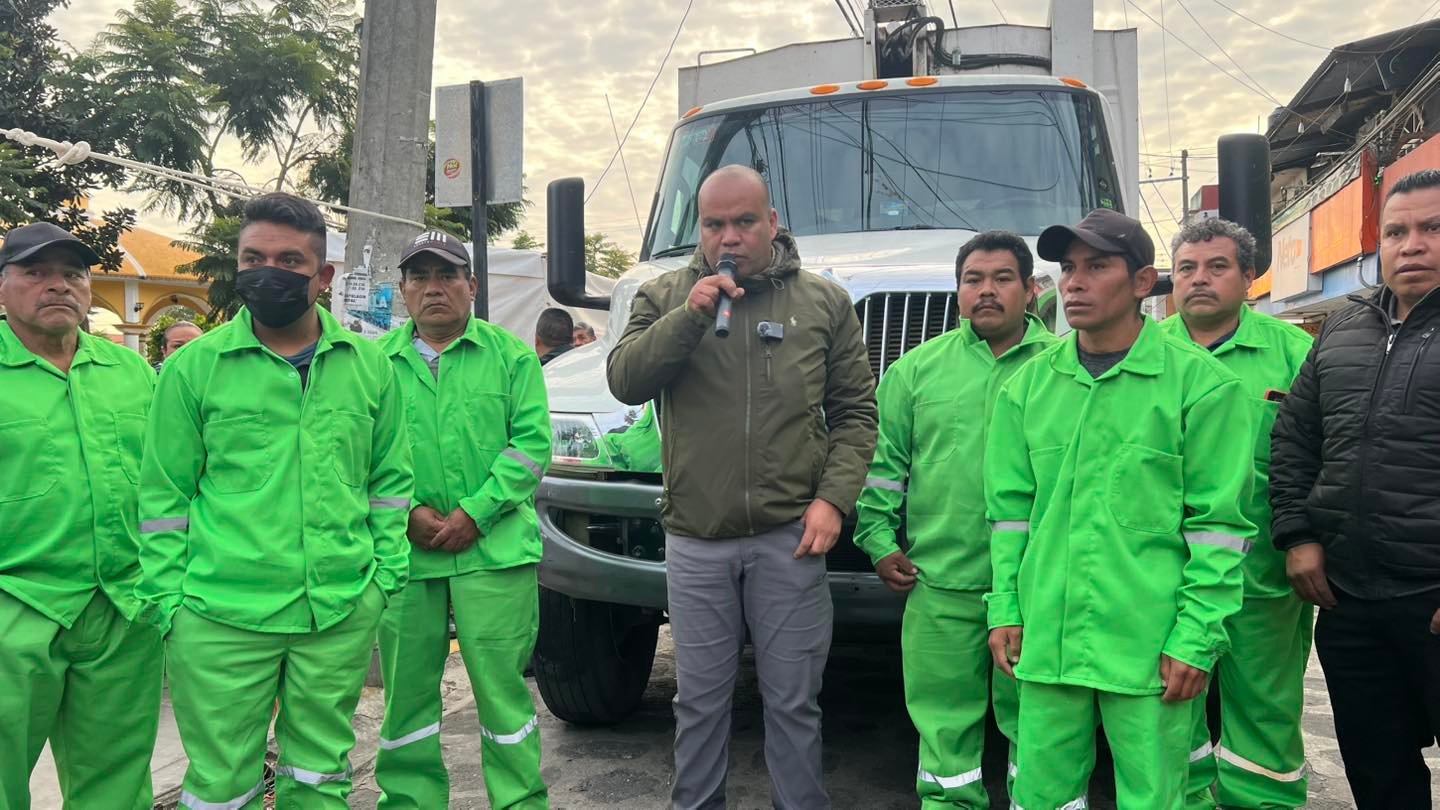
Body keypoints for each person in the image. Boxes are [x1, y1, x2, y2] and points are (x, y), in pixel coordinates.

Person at [607, 164, 877, 809]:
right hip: (696, 540)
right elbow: (625, 380)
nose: (729, 237)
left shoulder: (823, 302)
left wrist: (832, 501)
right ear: (700, 229)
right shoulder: (664, 295)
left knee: (793, 702)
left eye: (744, 222)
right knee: (699, 702)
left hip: (791, 538)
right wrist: (691, 316)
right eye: (714, 225)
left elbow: (855, 414)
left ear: (772, 223)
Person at [138, 192, 413, 810]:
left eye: (289, 261)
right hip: (220, 616)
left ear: (324, 276)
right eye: (253, 259)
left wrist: (382, 582)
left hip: (337, 612)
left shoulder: (370, 368)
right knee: (220, 785)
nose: (269, 273)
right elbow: (163, 495)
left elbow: (390, 483)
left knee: (320, 776)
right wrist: (170, 607)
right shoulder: (194, 368)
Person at [986, 209, 1256, 809]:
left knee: (1153, 797)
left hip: (1149, 647)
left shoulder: (1201, 387)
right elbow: (1009, 516)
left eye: (1097, 267)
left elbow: (1219, 530)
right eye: (1068, 268)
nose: (1074, 283)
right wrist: (1004, 607)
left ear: (1142, 282)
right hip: (1046, 641)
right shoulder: (1027, 389)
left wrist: (1195, 638)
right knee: (1043, 796)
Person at [856, 230, 1055, 808]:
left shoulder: (1064, 367)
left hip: (1040, 588)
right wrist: (877, 538)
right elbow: (883, 466)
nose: (986, 290)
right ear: (958, 290)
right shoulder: (915, 372)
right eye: (973, 279)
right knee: (944, 730)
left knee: (1039, 728)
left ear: (1030, 289)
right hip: (941, 584)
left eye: (1002, 278)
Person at [1270, 168, 1440, 808]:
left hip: (1431, 592)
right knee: (1379, 772)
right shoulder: (1344, 329)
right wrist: (1298, 536)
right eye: (1396, 231)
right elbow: (1295, 440)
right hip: (1350, 601)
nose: (1412, 245)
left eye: (1433, 228)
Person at [374, 230, 551, 809]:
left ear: (472, 286)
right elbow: (356, 454)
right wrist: (405, 513)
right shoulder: (373, 365)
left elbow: (531, 447)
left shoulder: (511, 357)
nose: (434, 288)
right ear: (403, 290)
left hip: (494, 553)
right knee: (406, 701)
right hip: (405, 558)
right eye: (419, 277)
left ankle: (518, 802)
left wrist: (477, 512)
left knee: (502, 698)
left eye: (447, 275)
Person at [0, 222, 162, 810]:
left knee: (116, 786)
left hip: (123, 609)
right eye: (36, 272)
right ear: (2, 286)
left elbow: (169, 479)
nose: (58, 285)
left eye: (73, 274)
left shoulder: (132, 373)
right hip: (17, 604)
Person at [1159, 219, 1314, 810]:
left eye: (1217, 267)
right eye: (1188, 268)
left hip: (1263, 579)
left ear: (1250, 277)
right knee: (1170, 714)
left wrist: (1310, 541)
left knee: (1265, 712)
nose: (1199, 279)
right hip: (1166, 578)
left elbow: (1323, 455)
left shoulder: (1296, 355)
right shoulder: (1146, 354)